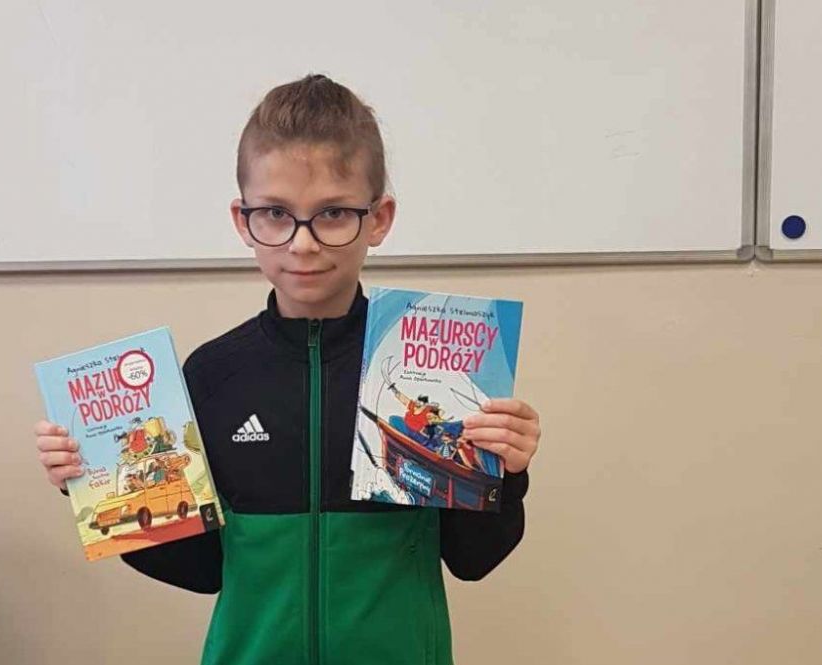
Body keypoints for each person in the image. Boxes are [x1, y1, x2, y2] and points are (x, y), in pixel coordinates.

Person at [34, 74, 542, 665]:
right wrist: (96, 485)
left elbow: (473, 559)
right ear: (242, 218)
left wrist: (507, 472)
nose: (302, 243)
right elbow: (199, 569)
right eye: (276, 213)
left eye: (333, 213)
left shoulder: (426, 369)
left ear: (379, 218)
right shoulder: (214, 376)